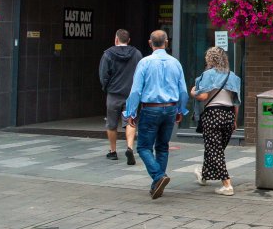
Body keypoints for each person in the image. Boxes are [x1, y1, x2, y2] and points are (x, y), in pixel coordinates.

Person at [124, 30, 189, 200]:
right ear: (166, 43)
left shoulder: (145, 63)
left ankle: (158, 176)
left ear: (150, 43)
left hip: (151, 108)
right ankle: (157, 183)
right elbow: (183, 90)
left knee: (144, 147)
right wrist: (181, 110)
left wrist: (130, 112)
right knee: (162, 146)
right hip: (170, 108)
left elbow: (136, 90)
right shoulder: (176, 63)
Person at [190, 46, 241, 196]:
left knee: (215, 149)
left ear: (209, 59)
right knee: (216, 148)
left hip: (213, 114)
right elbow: (236, 102)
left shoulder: (208, 75)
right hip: (228, 115)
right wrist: (234, 121)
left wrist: (193, 92)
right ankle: (204, 175)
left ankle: (227, 184)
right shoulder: (233, 77)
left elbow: (203, 97)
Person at [98, 29, 142, 164]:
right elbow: (141, 73)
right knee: (130, 121)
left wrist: (106, 88)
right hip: (131, 94)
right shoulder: (137, 54)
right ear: (128, 40)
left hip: (114, 94)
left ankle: (113, 151)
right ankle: (129, 147)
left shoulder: (108, 54)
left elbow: (103, 75)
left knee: (111, 124)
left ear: (116, 39)